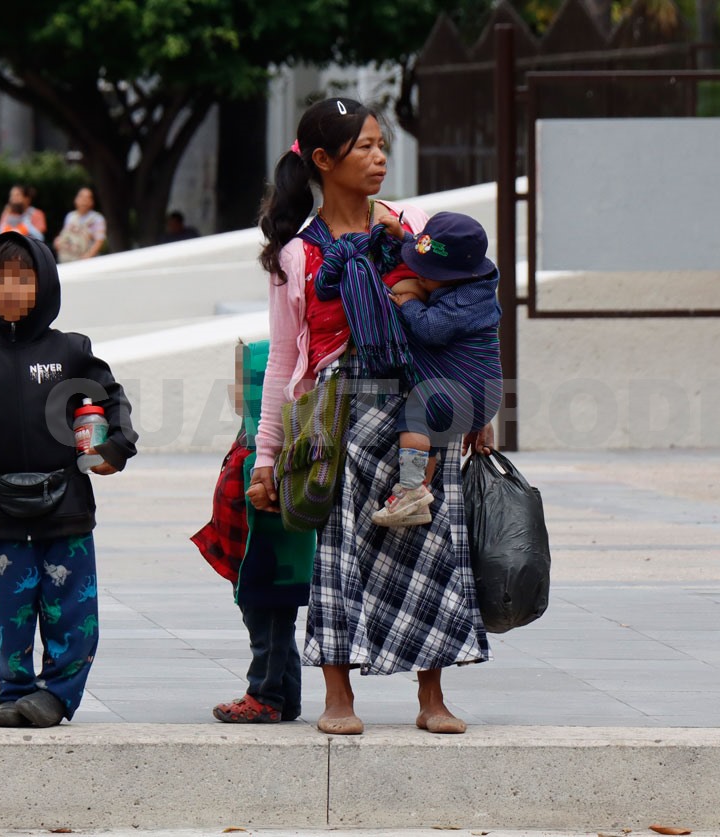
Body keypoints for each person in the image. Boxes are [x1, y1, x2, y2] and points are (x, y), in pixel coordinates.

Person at [249, 97, 493, 737]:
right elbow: (284, 359)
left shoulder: (412, 229)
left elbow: (464, 313)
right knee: (341, 550)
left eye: (382, 145)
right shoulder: (299, 255)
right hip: (341, 413)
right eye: (365, 146)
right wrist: (266, 457)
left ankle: (432, 697)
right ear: (323, 160)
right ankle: (338, 697)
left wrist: (476, 403)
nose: (380, 157)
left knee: (432, 543)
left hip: (425, 401)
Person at [0, 231, 138, 728]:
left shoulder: (71, 351)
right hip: (2, 507)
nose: (8, 289)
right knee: (12, 608)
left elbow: (110, 399)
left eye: (21, 278)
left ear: (44, 284)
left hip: (66, 505)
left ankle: (58, 695)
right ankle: (16, 691)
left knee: (71, 608)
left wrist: (114, 449)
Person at [192, 339, 316, 723]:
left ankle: (263, 696)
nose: (235, 389)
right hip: (251, 552)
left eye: (243, 380)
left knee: (269, 625)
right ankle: (285, 698)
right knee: (270, 625)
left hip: (271, 557)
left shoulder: (276, 450)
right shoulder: (250, 436)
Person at [369, 211, 504, 527]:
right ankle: (419, 493)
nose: (418, 275)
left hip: (461, 389)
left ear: (457, 276)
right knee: (432, 433)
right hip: (479, 388)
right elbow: (431, 250)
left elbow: (431, 329)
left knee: (416, 416)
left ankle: (411, 487)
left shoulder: (463, 302)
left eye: (427, 273)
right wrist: (403, 236)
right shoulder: (475, 280)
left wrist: (409, 304)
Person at [53, 187, 107, 263]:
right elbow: (66, 234)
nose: (84, 200)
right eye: (81, 196)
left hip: (87, 261)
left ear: (92, 202)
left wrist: (88, 256)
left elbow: (99, 241)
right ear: (76, 199)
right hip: (68, 259)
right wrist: (58, 241)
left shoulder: (97, 219)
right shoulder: (70, 216)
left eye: (87, 198)